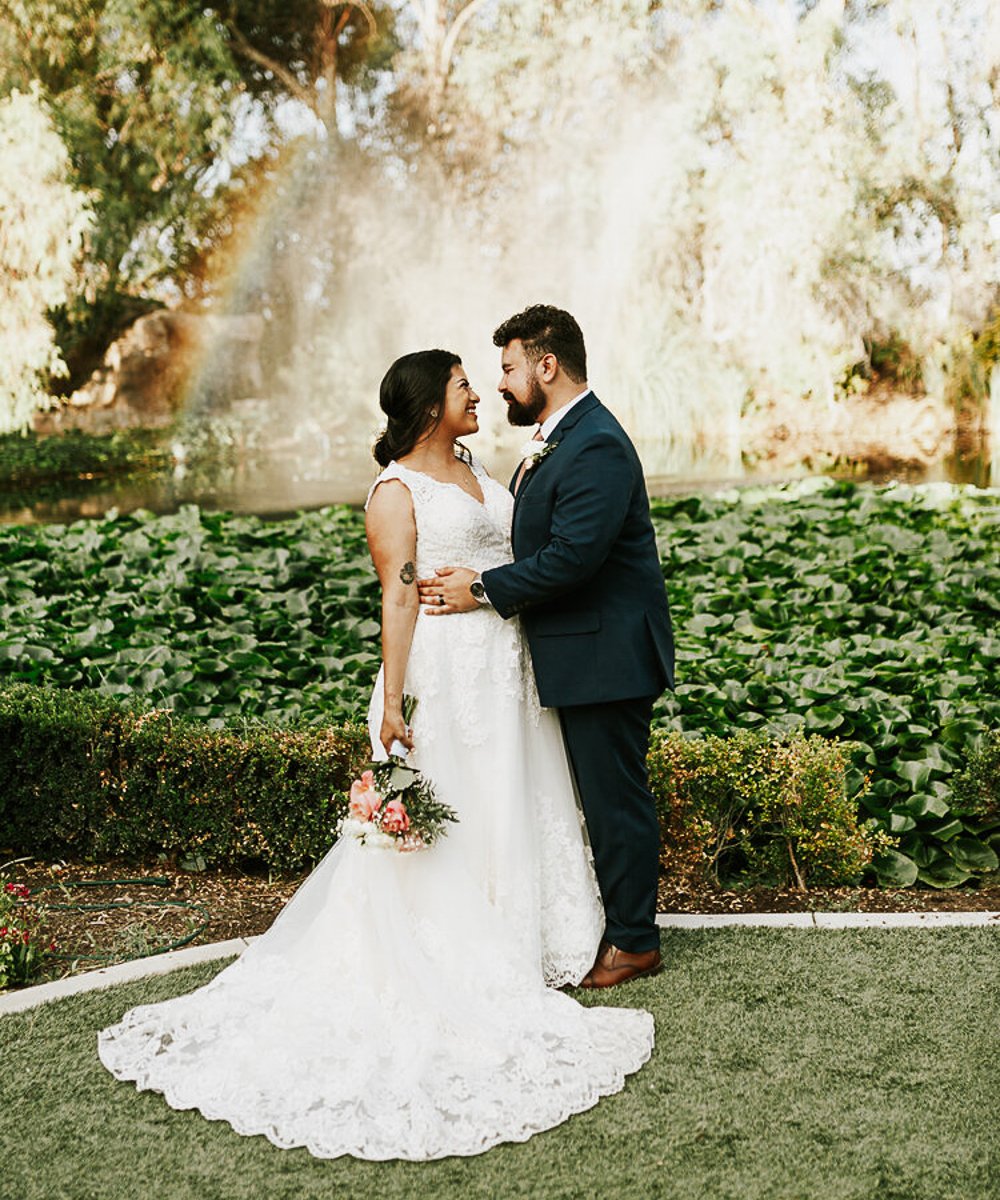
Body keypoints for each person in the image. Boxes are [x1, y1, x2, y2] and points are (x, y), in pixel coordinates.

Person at [97, 348, 654, 1161]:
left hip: (503, 669)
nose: (482, 393)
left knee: (509, 795)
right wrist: (393, 701)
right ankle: (463, 948)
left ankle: (523, 932)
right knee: (459, 805)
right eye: (467, 383)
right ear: (430, 404)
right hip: (447, 673)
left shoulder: (477, 468)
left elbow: (516, 556)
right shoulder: (396, 492)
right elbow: (398, 592)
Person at [417, 305, 674, 989]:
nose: (499, 384)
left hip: (606, 656)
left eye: (507, 367)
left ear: (546, 365)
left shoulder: (595, 443)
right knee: (601, 795)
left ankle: (635, 942)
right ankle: (621, 927)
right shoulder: (563, 438)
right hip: (582, 653)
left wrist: (482, 590)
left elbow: (573, 559)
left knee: (615, 800)